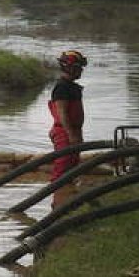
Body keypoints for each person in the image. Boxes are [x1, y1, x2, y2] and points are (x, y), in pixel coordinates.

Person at [48, 49, 88, 182]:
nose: (81, 70)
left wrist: (77, 134)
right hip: (64, 132)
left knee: (72, 168)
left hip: (73, 131)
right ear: (68, 68)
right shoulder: (62, 87)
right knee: (62, 169)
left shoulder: (72, 87)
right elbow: (62, 113)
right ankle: (59, 197)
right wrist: (71, 134)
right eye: (78, 67)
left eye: (81, 68)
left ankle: (68, 197)